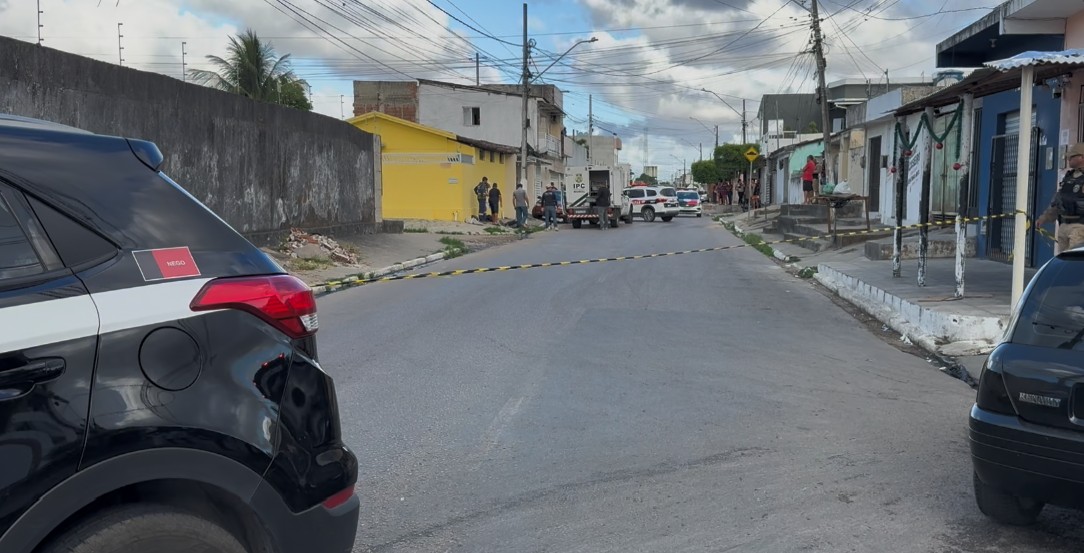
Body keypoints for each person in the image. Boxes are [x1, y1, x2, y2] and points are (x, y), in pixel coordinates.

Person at [1036, 143, 1084, 254]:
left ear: (1082, 157)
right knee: (1062, 262)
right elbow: (1058, 201)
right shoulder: (1069, 176)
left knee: (1075, 263)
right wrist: (1044, 217)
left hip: (1080, 227)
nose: (1068, 159)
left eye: (1072, 157)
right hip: (1064, 225)